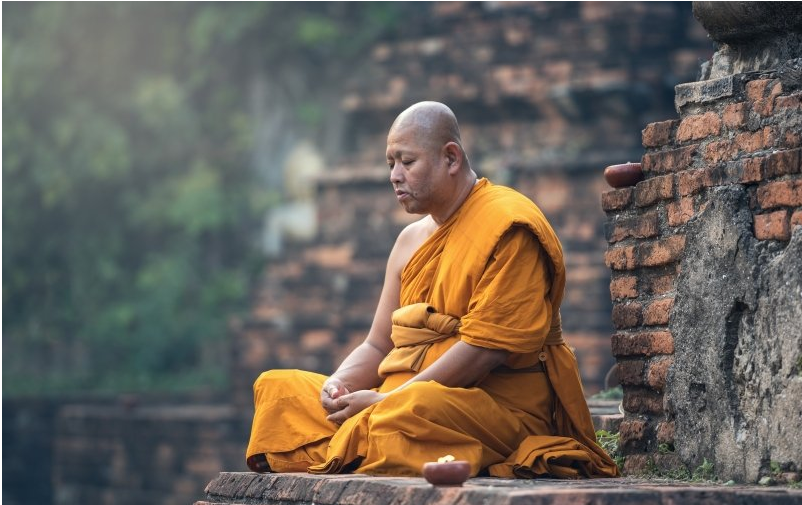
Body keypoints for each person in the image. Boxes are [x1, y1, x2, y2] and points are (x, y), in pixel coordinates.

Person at [245, 101, 619, 479]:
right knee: (278, 389)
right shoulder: (409, 241)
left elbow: (484, 351)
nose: (394, 175)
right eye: (390, 163)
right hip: (399, 399)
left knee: (409, 413)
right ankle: (359, 437)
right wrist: (338, 386)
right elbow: (378, 345)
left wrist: (387, 400)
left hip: (488, 407)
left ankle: (356, 440)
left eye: (407, 162)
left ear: (451, 158)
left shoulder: (508, 226)